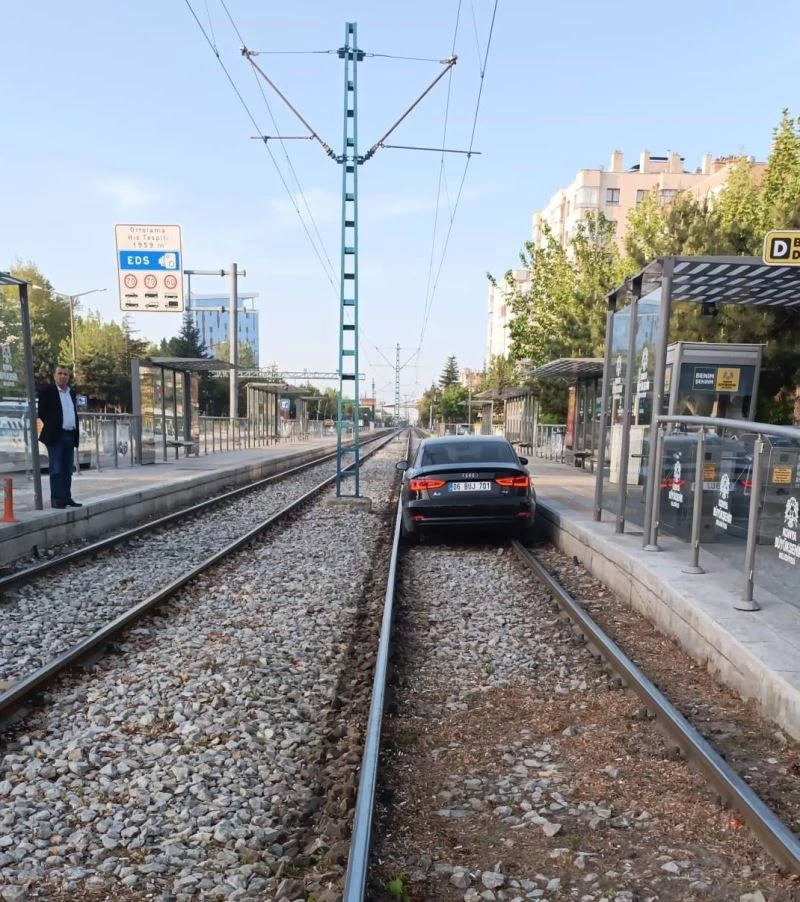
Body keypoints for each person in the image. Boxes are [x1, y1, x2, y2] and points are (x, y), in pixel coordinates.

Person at [37, 365, 81, 509]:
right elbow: (42, 412)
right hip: (56, 435)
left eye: (65, 374)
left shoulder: (71, 392)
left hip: (69, 433)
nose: (63, 376)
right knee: (56, 468)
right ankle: (56, 499)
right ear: (54, 376)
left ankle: (66, 497)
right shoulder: (48, 392)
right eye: (60, 373)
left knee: (68, 468)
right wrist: (52, 424)